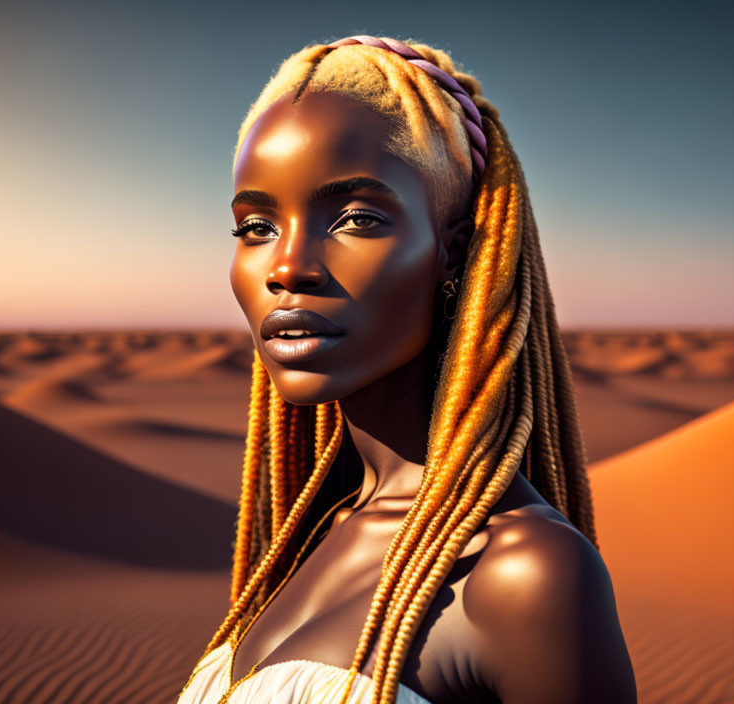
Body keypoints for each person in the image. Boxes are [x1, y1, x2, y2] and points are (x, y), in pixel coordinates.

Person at [178, 35, 636, 704]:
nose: (286, 267)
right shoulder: (314, 532)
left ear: (451, 253)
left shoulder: (525, 575)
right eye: (256, 227)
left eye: (358, 218)